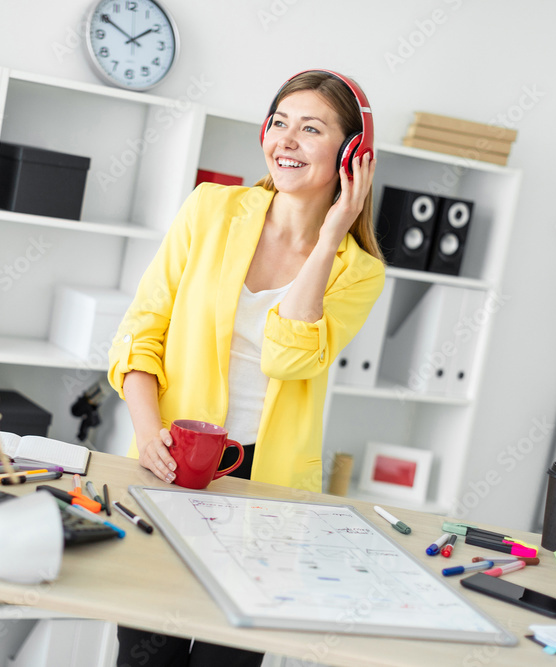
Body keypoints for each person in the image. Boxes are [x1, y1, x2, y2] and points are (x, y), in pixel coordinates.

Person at [107, 70, 386, 667]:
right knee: (142, 654)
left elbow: (289, 354)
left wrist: (331, 234)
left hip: (264, 486)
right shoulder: (211, 208)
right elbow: (141, 330)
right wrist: (146, 429)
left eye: (311, 129)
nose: (285, 140)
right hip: (168, 454)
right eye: (279, 122)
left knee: (224, 660)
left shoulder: (358, 271)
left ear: (351, 154)